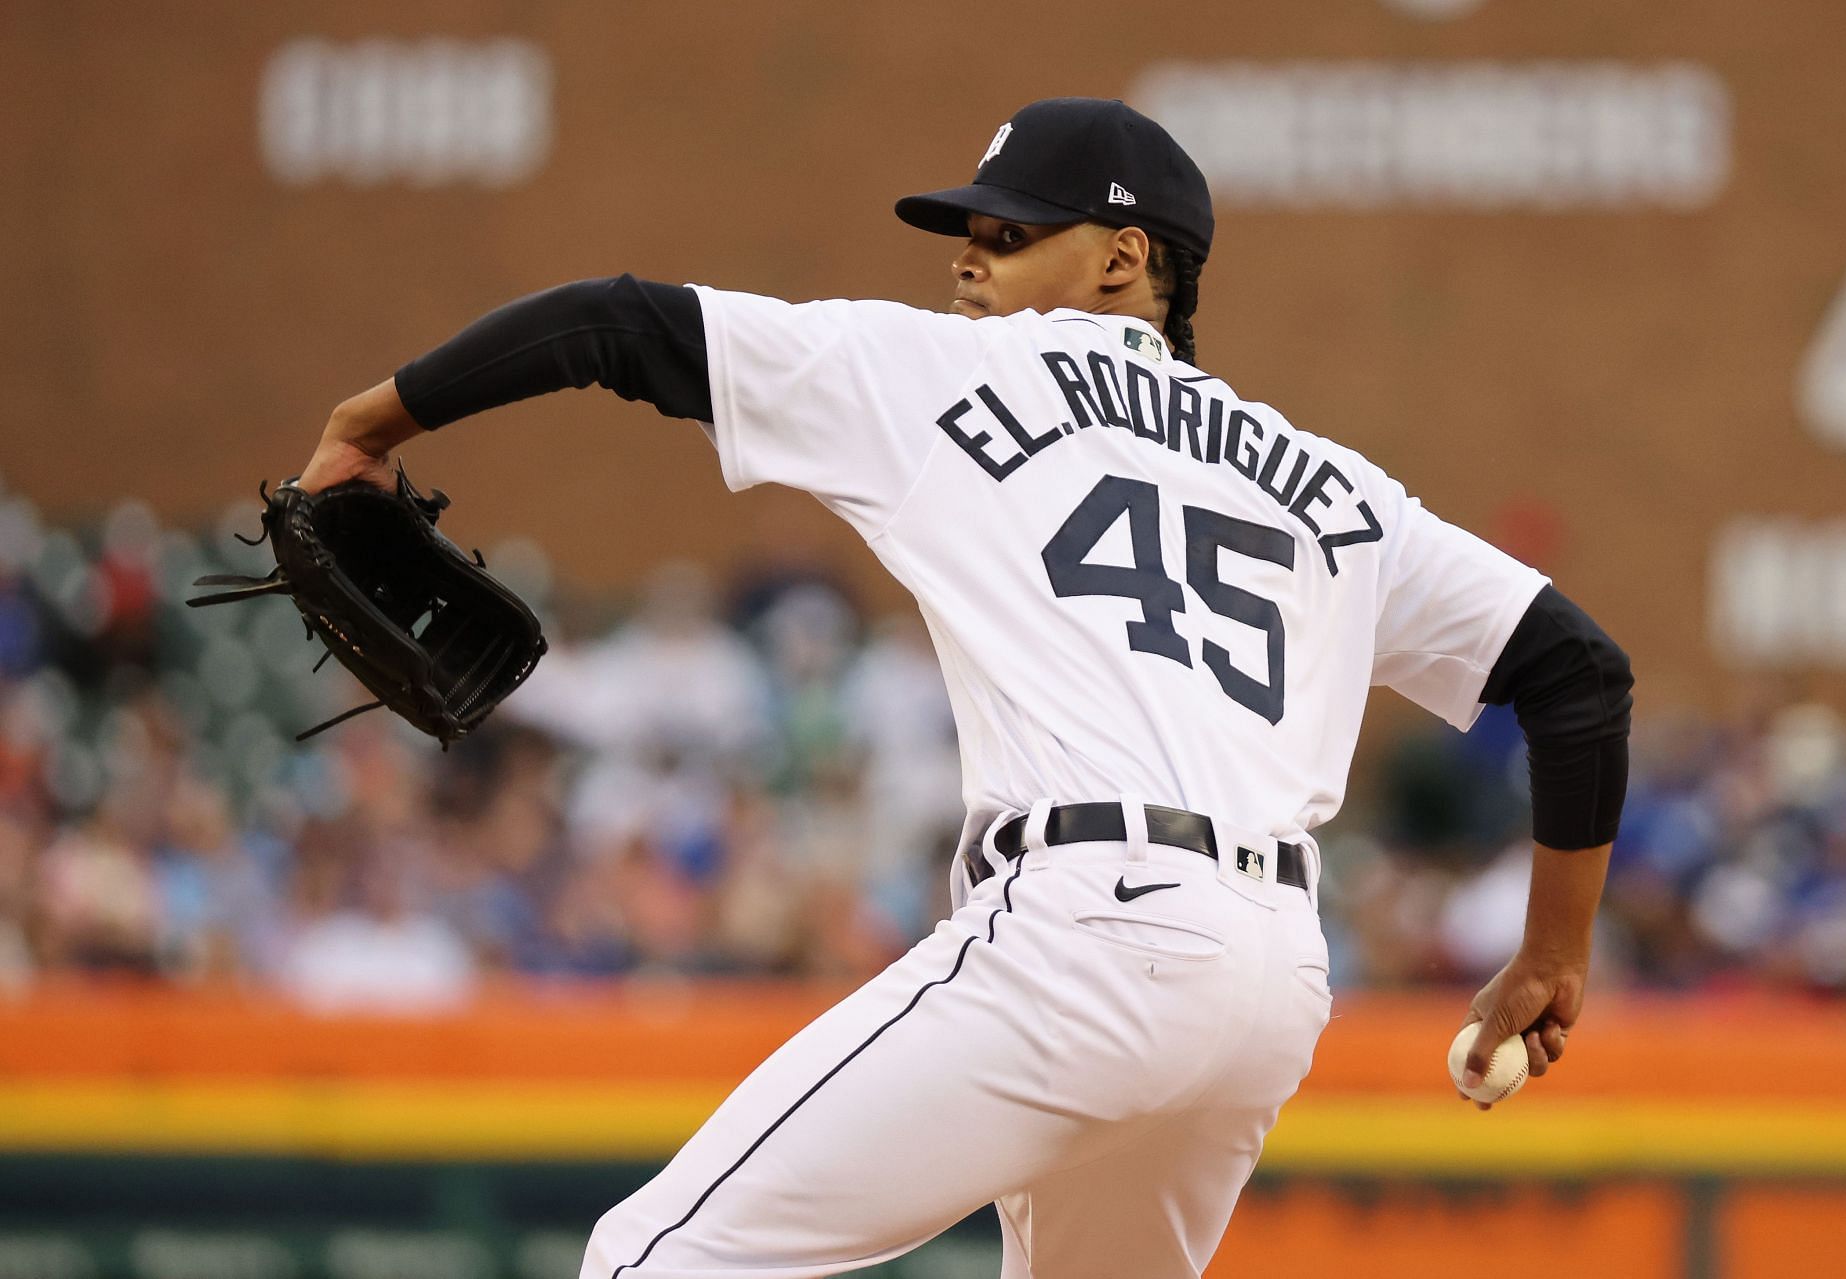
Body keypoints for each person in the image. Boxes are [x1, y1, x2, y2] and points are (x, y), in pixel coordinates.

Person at [295, 97, 1632, 1279]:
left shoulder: (954, 372)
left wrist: (375, 424)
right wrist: (1552, 958)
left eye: (1007, 232)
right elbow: (1577, 674)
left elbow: (618, 324)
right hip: (1272, 975)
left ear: (1124, 261)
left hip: (1086, 930)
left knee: (651, 1261)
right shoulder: (1333, 486)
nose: (968, 257)